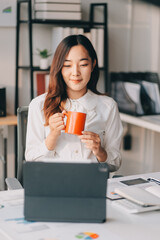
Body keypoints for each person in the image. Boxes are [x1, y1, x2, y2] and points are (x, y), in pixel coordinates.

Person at [25, 34, 123, 171]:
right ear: (59, 67)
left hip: (91, 184)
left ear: (93, 65)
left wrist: (99, 151)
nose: (75, 72)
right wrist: (52, 136)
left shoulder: (108, 106)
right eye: (67, 65)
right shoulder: (38, 105)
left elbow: (115, 163)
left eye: (83, 64)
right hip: (53, 185)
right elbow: (31, 161)